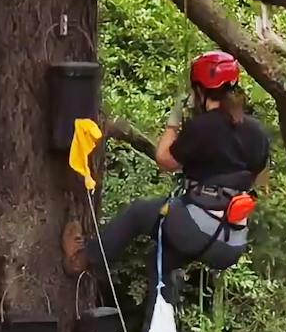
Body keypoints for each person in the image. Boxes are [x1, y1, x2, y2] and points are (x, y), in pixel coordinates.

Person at [62, 50, 271, 285]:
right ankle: (159, 320)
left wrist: (173, 123)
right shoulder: (257, 131)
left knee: (138, 213)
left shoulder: (201, 127)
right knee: (162, 265)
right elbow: (256, 174)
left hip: (198, 227)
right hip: (232, 240)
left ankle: (83, 258)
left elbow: (164, 160)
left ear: (200, 91)